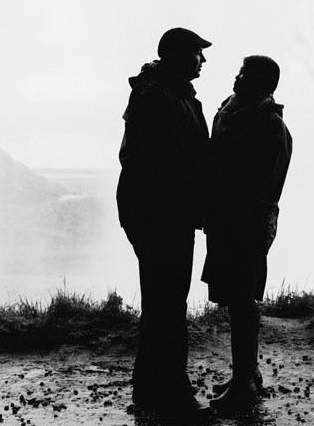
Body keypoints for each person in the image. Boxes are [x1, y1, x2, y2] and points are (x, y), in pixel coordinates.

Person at [117, 28, 212, 418]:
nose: (203, 61)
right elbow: (160, 162)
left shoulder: (169, 94)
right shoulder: (158, 96)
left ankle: (151, 388)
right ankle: (172, 395)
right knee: (168, 303)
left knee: (163, 302)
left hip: (163, 212)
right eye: (196, 53)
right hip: (161, 215)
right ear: (175, 55)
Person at [201, 55, 293, 414]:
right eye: (239, 72)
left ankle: (244, 384)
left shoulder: (270, 126)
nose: (237, 78)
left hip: (246, 224)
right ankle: (247, 374)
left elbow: (264, 186)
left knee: (241, 301)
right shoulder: (231, 113)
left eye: (245, 74)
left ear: (262, 83)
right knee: (235, 299)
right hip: (226, 221)